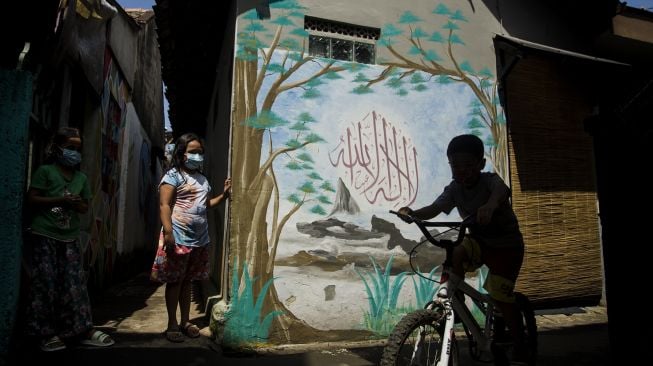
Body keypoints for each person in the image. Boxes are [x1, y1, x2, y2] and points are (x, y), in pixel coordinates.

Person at [398, 134, 528, 365]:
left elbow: (502, 190)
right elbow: (436, 207)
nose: (461, 171)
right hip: (478, 241)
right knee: (455, 252)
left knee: (501, 294)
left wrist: (490, 205)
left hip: (506, 245)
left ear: (481, 164)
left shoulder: (489, 181)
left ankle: (520, 344)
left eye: (468, 165)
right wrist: (414, 214)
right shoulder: (454, 188)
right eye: (455, 165)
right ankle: (453, 303)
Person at [24, 127, 114, 351]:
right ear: (57, 149)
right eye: (70, 147)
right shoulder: (46, 172)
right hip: (45, 235)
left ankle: (80, 329)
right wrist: (58, 200)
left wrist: (75, 203)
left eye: (78, 148)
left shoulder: (81, 178)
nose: (75, 152)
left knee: (74, 286)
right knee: (45, 284)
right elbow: (32, 199)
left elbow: (84, 207)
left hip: (69, 238)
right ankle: (45, 333)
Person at [150, 132, 231, 342]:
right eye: (192, 152)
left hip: (199, 239)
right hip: (178, 236)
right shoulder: (173, 176)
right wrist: (168, 233)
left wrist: (223, 196)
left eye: (200, 152)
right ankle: (171, 324)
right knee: (175, 282)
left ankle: (185, 321)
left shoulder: (203, 179)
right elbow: (164, 205)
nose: (197, 155)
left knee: (188, 282)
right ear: (182, 153)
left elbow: (205, 205)